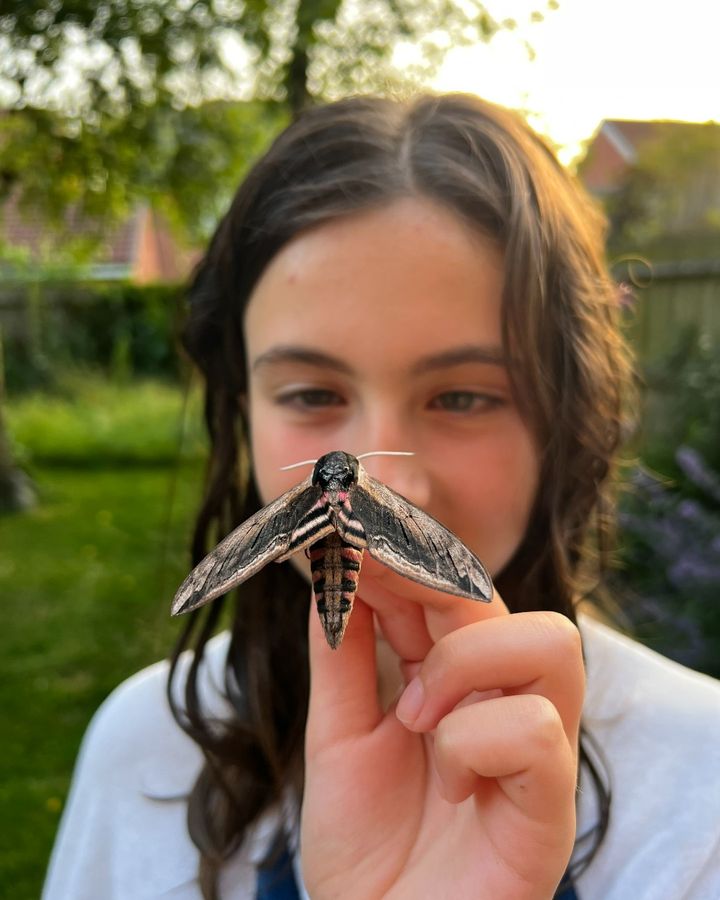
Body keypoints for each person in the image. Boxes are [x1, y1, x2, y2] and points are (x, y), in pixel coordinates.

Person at [43, 94, 720, 900]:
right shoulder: (142, 744)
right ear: (242, 407)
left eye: (463, 397)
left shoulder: (700, 787)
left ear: (567, 415)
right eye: (310, 394)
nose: (381, 484)